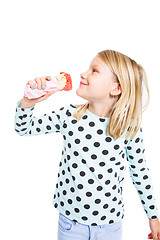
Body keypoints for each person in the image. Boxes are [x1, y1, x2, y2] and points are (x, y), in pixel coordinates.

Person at [14, 49, 160, 240]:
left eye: (94, 70)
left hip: (110, 226)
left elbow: (140, 172)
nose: (83, 73)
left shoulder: (129, 127)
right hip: (71, 224)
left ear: (116, 88)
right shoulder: (69, 115)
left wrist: (153, 215)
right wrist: (28, 101)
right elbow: (24, 128)